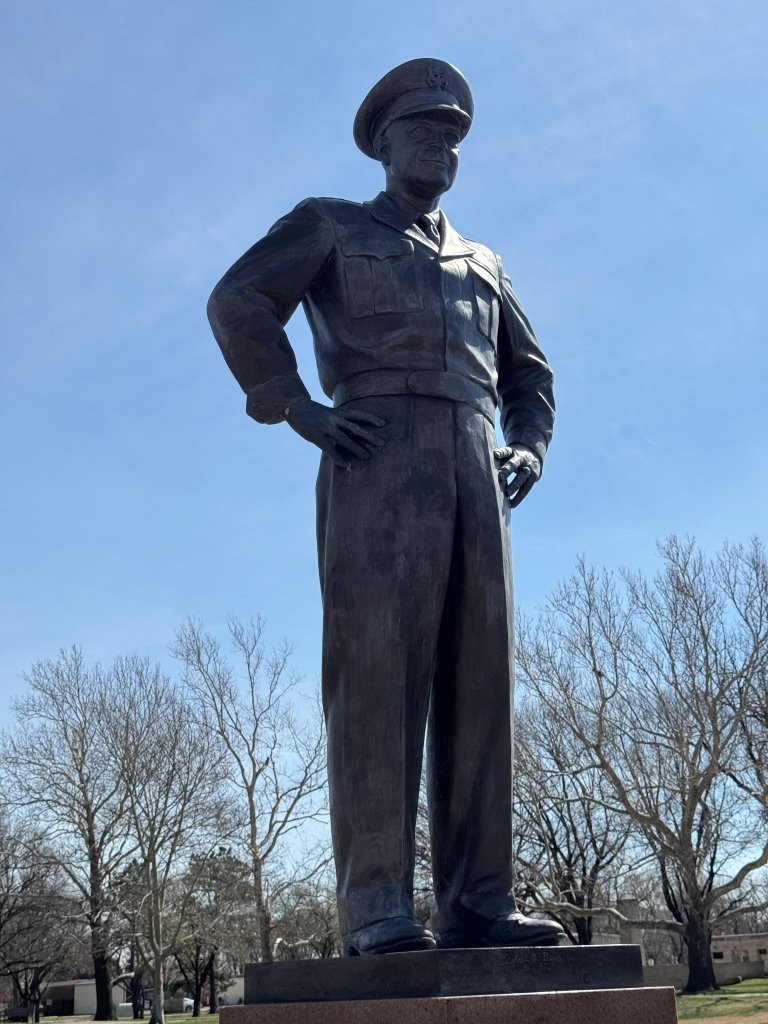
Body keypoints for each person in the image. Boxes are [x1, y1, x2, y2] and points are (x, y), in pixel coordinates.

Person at [207, 58, 562, 955]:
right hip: (376, 453)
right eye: (425, 130)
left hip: (476, 462)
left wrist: (529, 446)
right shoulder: (330, 225)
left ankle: (479, 901)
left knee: (481, 683)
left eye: (453, 136)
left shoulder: (483, 262)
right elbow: (239, 300)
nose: (441, 146)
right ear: (384, 144)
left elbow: (529, 375)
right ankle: (376, 905)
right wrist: (292, 403)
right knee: (376, 676)